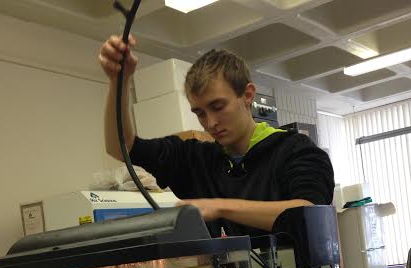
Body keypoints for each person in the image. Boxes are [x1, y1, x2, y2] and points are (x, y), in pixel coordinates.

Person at [98, 35, 335, 237]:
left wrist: (221, 207)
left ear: (248, 95)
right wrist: (118, 82)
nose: (210, 123)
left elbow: (307, 213)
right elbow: (121, 148)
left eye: (218, 106)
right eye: (200, 113)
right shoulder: (194, 159)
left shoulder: (295, 150)